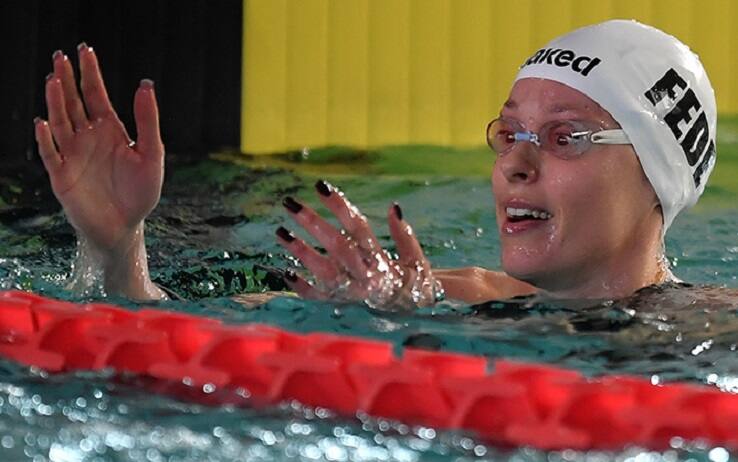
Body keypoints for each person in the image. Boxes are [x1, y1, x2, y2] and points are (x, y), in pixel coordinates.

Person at [35, 20, 717, 308]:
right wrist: (118, 247)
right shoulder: (445, 297)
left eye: (565, 138)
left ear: (657, 174)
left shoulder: (715, 327)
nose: (515, 164)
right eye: (508, 134)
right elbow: (172, 336)